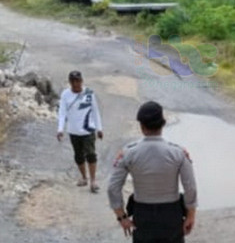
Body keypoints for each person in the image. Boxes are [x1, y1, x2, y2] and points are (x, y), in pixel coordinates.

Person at [108, 101, 197, 243]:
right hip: (171, 215)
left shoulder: (128, 153)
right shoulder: (178, 153)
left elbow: (113, 188)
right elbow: (190, 188)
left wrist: (122, 217)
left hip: (143, 215)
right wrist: (191, 216)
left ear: (142, 126)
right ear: (163, 124)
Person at [56, 70, 103, 193]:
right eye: (73, 81)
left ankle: (93, 181)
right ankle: (84, 177)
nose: (76, 84)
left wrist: (99, 129)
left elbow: (95, 112)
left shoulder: (88, 93)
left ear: (82, 81)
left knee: (91, 155)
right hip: (73, 131)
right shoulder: (65, 95)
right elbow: (62, 113)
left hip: (88, 130)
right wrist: (60, 129)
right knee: (78, 156)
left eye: (78, 81)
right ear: (70, 82)